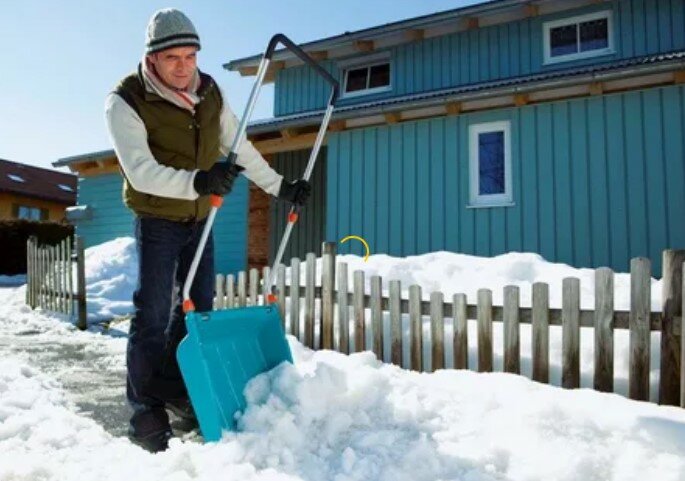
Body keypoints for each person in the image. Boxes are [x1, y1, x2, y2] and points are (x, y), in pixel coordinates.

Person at [104, 8, 311, 452]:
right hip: (158, 217)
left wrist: (281, 188)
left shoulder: (210, 92)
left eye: (190, 56)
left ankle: (179, 391)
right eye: (172, 58)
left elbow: (238, 148)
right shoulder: (126, 100)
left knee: (198, 311)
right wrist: (197, 180)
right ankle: (144, 408)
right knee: (153, 314)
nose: (183, 67)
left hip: (201, 217)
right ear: (153, 59)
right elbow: (140, 172)